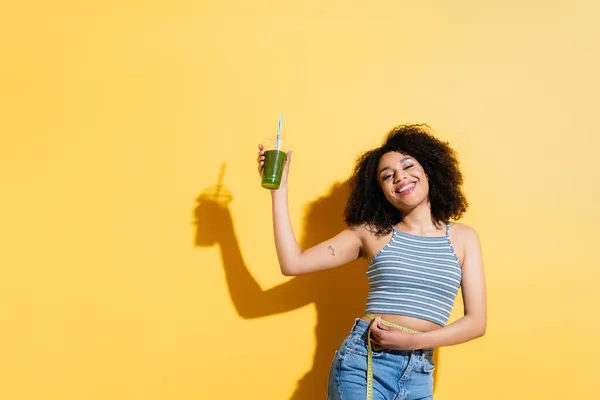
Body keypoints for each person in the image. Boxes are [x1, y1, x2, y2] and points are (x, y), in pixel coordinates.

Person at [256, 124, 487, 400]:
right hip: (365, 362)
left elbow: (477, 323)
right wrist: (278, 189)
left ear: (428, 170)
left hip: (420, 372)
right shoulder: (372, 234)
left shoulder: (464, 238)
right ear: (382, 192)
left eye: (408, 166)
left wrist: (414, 342)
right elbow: (292, 263)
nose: (400, 178)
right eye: (387, 176)